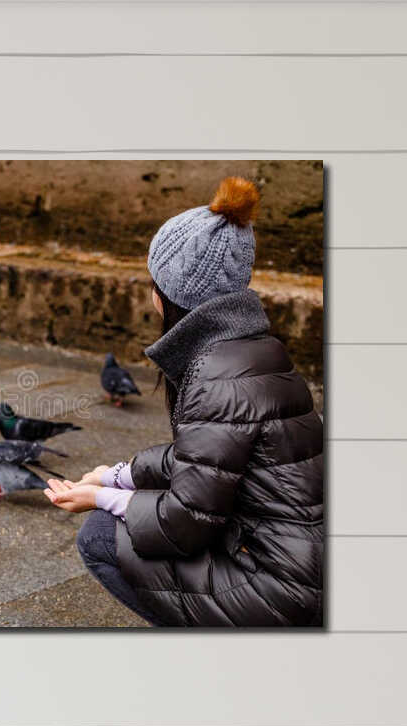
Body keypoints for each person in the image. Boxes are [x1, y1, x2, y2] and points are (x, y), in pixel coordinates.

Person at [44, 176, 324, 628]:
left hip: (280, 588)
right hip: (303, 563)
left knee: (99, 537)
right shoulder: (257, 351)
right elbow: (210, 460)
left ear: (170, 295)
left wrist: (101, 498)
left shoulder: (216, 379)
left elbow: (185, 523)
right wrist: (117, 475)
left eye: (153, 280)